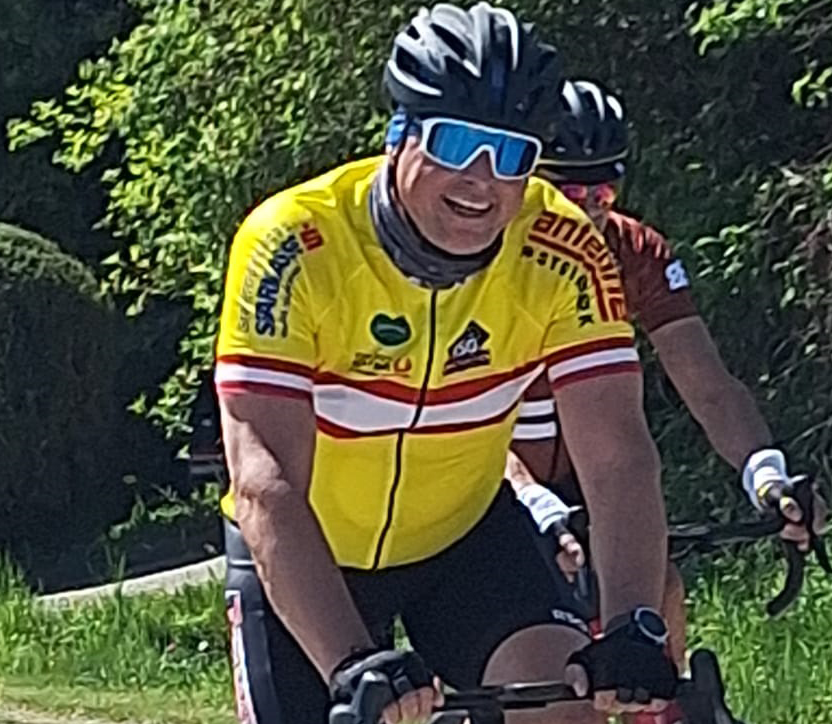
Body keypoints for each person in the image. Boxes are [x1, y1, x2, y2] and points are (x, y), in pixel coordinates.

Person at [216, 4, 679, 724]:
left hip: (465, 539)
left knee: (563, 708)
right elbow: (265, 483)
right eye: (458, 143)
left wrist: (632, 624)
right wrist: (350, 660)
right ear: (398, 135)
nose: (482, 180)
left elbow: (617, 454)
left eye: (513, 155)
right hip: (309, 552)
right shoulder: (294, 244)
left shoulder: (561, 248)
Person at [505, 79, 829, 686]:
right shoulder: (488, 256)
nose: (588, 210)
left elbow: (708, 386)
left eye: (603, 192)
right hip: (489, 470)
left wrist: (766, 472)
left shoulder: (635, 252)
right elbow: (458, 411)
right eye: (567, 192)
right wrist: (527, 495)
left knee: (658, 590)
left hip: (578, 465)